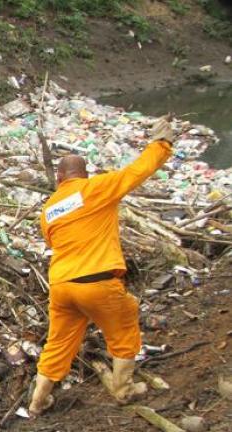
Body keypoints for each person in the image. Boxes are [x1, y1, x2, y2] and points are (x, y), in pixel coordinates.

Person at [28, 117, 175, 416]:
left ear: (59, 179)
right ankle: (123, 390)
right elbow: (137, 171)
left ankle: (37, 402)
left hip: (61, 286)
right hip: (96, 282)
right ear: (85, 174)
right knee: (124, 327)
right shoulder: (95, 188)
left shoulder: (50, 208)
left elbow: (53, 241)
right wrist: (162, 144)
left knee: (58, 345)